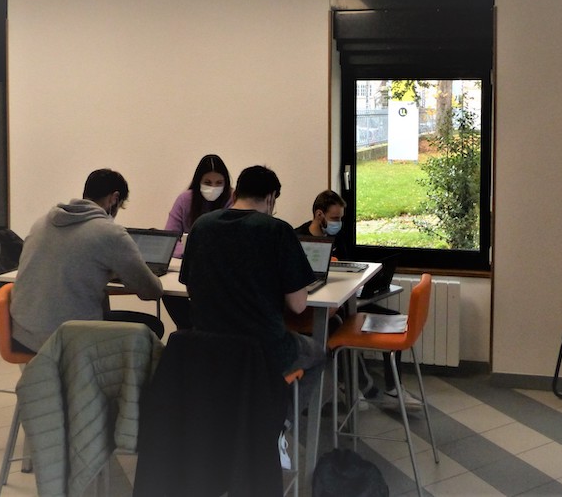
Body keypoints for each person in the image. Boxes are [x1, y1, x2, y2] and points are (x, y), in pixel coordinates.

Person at [179, 165, 325, 468]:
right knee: (318, 355)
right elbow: (298, 305)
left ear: (235, 193)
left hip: (209, 351)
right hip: (263, 351)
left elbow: (192, 287)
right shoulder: (277, 230)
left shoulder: (202, 226)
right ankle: (279, 427)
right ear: (271, 198)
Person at [11, 169, 165, 353]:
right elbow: (151, 291)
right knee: (153, 326)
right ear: (114, 199)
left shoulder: (41, 222)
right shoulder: (110, 233)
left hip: (23, 335)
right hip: (70, 339)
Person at [294, 190, 420, 407]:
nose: (338, 223)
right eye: (335, 218)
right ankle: (357, 385)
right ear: (319, 214)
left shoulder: (338, 238)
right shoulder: (299, 240)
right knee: (341, 325)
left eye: (340, 218)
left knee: (394, 319)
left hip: (345, 301)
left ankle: (392, 389)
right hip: (317, 310)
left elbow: (348, 267)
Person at [162, 154, 232, 329]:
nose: (213, 187)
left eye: (219, 183)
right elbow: (169, 238)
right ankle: (189, 331)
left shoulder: (232, 199)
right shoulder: (185, 199)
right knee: (167, 293)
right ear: (198, 181)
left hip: (221, 271)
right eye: (207, 182)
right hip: (188, 267)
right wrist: (191, 251)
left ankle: (198, 331)